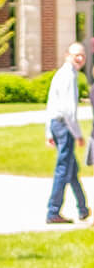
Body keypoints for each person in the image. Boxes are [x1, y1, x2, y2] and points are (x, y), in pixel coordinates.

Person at [44, 42, 90, 224]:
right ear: (67, 55)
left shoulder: (62, 74)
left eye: (82, 55)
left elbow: (50, 103)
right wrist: (77, 134)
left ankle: (83, 208)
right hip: (64, 127)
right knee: (63, 169)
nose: (79, 58)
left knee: (71, 169)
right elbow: (68, 111)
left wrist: (49, 131)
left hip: (57, 125)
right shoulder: (68, 76)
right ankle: (53, 212)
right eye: (76, 54)